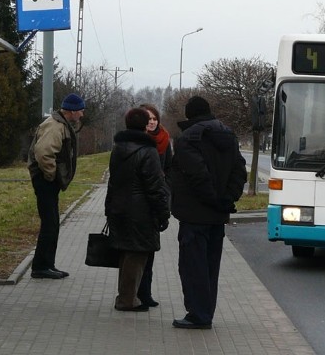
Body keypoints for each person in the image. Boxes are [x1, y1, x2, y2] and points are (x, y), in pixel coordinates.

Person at [170, 96, 247, 329]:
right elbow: (239, 171)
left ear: (190, 115)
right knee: (211, 266)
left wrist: (213, 199)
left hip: (195, 214)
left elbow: (197, 175)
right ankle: (206, 311)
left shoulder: (188, 139)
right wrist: (227, 199)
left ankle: (198, 315)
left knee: (193, 266)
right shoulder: (229, 135)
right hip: (218, 215)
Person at [105, 108, 171, 312]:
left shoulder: (118, 148)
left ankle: (125, 296)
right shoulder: (147, 150)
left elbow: (113, 181)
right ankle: (127, 300)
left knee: (126, 254)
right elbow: (155, 186)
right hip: (140, 211)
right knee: (137, 254)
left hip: (119, 207)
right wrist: (163, 213)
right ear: (144, 125)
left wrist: (109, 207)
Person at [28, 93, 85, 279]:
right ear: (72, 111)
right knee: (50, 224)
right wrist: (51, 175)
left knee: (51, 223)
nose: (82, 115)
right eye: (81, 111)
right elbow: (44, 153)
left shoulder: (60, 124)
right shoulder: (55, 126)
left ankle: (46, 264)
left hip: (47, 180)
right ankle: (41, 267)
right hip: (45, 180)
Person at [136, 103, 173, 307]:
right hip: (138, 201)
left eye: (154, 119)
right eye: (148, 119)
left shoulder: (165, 140)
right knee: (135, 251)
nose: (151, 122)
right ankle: (132, 293)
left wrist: (166, 191)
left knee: (150, 249)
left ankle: (146, 293)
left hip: (157, 200)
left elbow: (170, 167)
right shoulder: (135, 141)